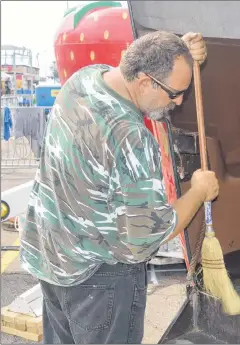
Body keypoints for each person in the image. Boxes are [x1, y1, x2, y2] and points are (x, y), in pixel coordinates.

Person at [19, 31, 217, 344]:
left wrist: (182, 52)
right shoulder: (132, 138)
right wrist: (198, 191)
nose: (179, 101)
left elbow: (145, 59)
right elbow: (144, 237)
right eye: (174, 92)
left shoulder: (84, 80)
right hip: (98, 280)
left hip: (52, 257)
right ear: (144, 83)